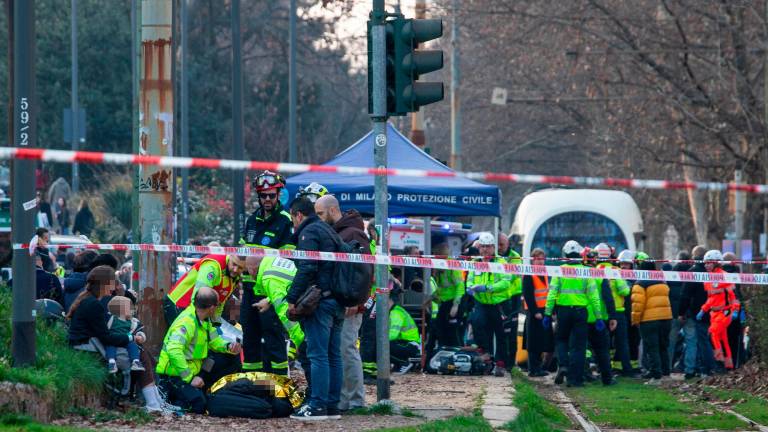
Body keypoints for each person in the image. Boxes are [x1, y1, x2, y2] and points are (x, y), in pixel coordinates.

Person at [68, 266, 166, 412]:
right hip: (87, 346)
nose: (115, 286)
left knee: (143, 353)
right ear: (105, 284)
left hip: (88, 343)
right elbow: (106, 337)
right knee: (139, 353)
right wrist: (130, 337)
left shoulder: (89, 300)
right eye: (113, 282)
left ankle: (156, 402)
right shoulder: (94, 304)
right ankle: (153, 403)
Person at [286, 197, 344, 421]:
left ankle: (318, 405)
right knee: (333, 355)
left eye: (293, 217)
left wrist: (292, 298)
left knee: (318, 355)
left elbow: (307, 267)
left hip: (319, 302)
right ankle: (331, 406)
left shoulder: (308, 232)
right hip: (337, 300)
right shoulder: (328, 230)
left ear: (298, 215)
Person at [315, 194, 368, 412]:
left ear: (332, 210)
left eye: (320, 213)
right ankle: (343, 400)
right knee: (340, 351)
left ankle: (355, 401)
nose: (318, 218)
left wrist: (355, 301)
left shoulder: (352, 233)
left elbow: (363, 271)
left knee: (347, 350)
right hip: (341, 302)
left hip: (350, 304)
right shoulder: (342, 232)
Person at [156, 287, 242, 414]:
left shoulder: (205, 320)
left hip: (196, 369)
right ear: (212, 308)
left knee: (231, 359)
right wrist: (190, 379)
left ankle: (203, 389)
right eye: (217, 306)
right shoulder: (186, 323)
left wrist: (229, 346)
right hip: (175, 375)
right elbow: (174, 351)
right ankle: (167, 397)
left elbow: (215, 341)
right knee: (198, 405)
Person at [544, 240, 601, 388]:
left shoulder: (560, 270)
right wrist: (599, 316)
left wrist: (547, 313)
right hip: (581, 312)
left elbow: (552, 294)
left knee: (561, 340)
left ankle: (563, 365)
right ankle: (575, 380)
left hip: (563, 312)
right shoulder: (586, 271)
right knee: (579, 346)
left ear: (565, 254)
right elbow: (594, 296)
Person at [241, 255, 304, 376]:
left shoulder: (268, 279)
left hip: (311, 314)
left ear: (252, 270)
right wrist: (269, 300)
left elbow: (286, 314)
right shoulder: (272, 263)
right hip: (319, 300)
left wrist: (299, 341)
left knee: (312, 361)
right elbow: (285, 285)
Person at [466, 232, 512, 377]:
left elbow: (505, 282)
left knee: (500, 334)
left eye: (488, 247)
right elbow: (470, 279)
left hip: (498, 304)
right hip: (481, 302)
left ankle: (500, 363)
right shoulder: (476, 262)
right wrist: (470, 288)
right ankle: (485, 352)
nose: (485, 250)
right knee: (476, 321)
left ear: (493, 248)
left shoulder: (501, 263)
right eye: (482, 247)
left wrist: (488, 288)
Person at [163, 254, 245, 325]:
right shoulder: (212, 266)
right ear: (230, 257)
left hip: (198, 310)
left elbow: (220, 303)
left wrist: (216, 325)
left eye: (240, 267)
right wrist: (199, 323)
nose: (235, 269)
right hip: (179, 304)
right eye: (234, 264)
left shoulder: (235, 277)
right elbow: (199, 296)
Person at [630, 258, 673, 385]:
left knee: (652, 348)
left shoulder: (640, 283)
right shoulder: (662, 281)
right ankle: (666, 374)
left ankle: (656, 376)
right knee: (663, 347)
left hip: (649, 320)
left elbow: (638, 305)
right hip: (666, 318)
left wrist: (635, 320)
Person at [678, 245, 717, 378]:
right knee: (708, 340)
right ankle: (706, 367)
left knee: (697, 341)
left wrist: (681, 313)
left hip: (697, 313)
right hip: (714, 311)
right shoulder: (713, 273)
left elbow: (685, 295)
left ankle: (699, 369)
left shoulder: (693, 272)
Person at [698, 249, 740, 370]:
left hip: (725, 312)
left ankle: (719, 362)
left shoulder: (725, 276)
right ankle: (728, 365)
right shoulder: (707, 279)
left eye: (709, 263)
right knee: (723, 339)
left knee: (712, 333)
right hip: (714, 313)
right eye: (705, 263)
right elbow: (711, 298)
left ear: (716, 262)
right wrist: (704, 309)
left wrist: (736, 310)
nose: (706, 265)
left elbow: (734, 295)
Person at [598, 245, 635, 377]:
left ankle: (606, 368)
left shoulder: (594, 270)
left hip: (601, 313)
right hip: (618, 311)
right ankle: (627, 369)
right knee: (622, 342)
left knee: (604, 343)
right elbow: (624, 291)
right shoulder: (615, 270)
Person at [583, 247, 617, 386]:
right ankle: (607, 379)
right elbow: (608, 297)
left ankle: (583, 375)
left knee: (582, 348)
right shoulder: (600, 274)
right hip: (599, 319)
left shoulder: (579, 273)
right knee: (602, 350)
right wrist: (613, 316)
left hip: (582, 317)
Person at [241, 170, 294, 249]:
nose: (267, 199)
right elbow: (242, 247)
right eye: (263, 195)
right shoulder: (251, 220)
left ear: (279, 195)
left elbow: (289, 255)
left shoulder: (287, 221)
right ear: (259, 196)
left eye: (272, 195)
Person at [521, 248, 554, 377]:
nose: (541, 262)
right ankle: (533, 369)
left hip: (544, 310)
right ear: (533, 260)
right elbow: (528, 295)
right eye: (538, 259)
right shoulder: (529, 274)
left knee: (541, 341)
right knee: (533, 342)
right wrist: (535, 311)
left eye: (542, 259)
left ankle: (538, 368)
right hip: (534, 312)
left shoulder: (544, 273)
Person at [105, 296, 145, 374]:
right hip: (114, 338)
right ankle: (112, 362)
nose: (132, 311)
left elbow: (138, 330)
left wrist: (140, 336)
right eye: (129, 308)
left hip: (127, 339)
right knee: (110, 345)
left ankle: (135, 361)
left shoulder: (133, 321)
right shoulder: (112, 318)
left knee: (133, 345)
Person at [388, 286, 421, 374]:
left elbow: (392, 335)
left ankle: (404, 363)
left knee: (383, 345)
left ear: (389, 300)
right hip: (405, 344)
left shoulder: (396, 313)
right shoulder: (394, 311)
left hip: (410, 345)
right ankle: (398, 364)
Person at [722, 252, 747, 369]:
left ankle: (725, 365)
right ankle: (735, 364)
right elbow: (739, 294)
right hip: (735, 311)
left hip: (722, 311)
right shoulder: (737, 274)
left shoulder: (719, 273)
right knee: (736, 339)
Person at [667, 251, 691, 371]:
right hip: (689, 314)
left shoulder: (671, 275)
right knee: (691, 342)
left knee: (670, 342)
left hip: (674, 313)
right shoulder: (694, 273)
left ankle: (667, 367)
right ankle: (689, 369)